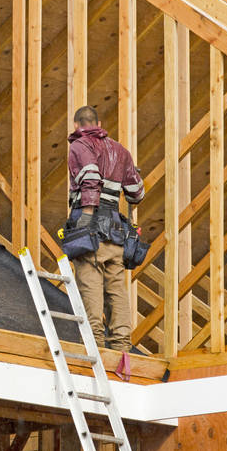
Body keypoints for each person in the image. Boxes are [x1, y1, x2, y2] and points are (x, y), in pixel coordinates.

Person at [67, 105, 145, 351]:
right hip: (116, 233)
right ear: (99, 123)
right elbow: (136, 192)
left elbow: (90, 178)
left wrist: (84, 221)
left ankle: (94, 350)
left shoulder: (80, 145)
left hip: (92, 231)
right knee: (116, 290)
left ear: (77, 125)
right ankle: (122, 350)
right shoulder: (120, 150)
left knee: (90, 289)